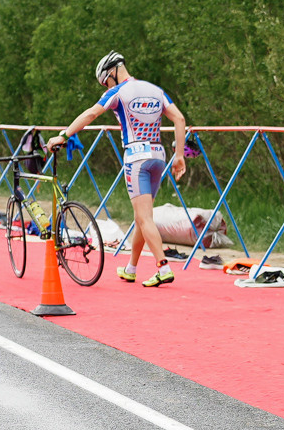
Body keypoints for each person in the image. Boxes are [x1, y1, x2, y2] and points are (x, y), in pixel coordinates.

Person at [48, 53, 188, 286]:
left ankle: (163, 267)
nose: (105, 85)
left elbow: (91, 113)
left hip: (136, 158)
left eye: (105, 81)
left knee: (144, 218)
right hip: (158, 157)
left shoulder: (116, 92)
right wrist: (180, 155)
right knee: (142, 218)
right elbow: (180, 119)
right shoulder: (156, 90)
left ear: (111, 72)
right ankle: (131, 268)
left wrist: (64, 135)